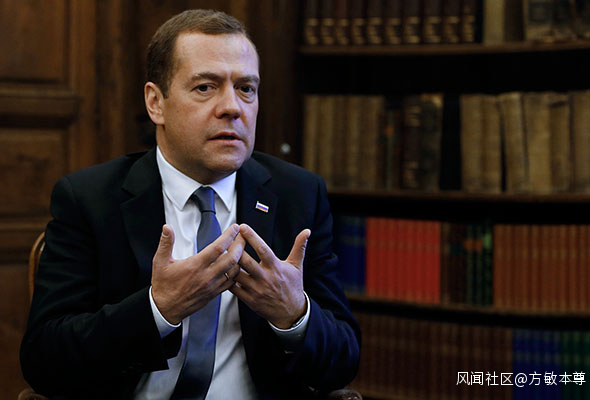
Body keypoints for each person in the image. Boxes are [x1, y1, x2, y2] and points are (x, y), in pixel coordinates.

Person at [20, 8, 360, 400]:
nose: (232, 107)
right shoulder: (90, 199)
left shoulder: (298, 195)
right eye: (205, 87)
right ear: (156, 103)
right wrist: (157, 310)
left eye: (246, 88)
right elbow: (44, 361)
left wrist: (293, 315)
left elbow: (344, 360)